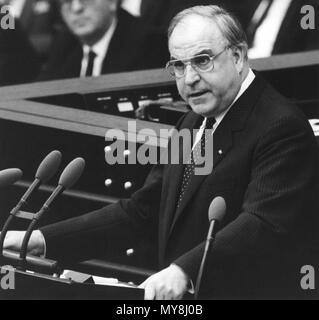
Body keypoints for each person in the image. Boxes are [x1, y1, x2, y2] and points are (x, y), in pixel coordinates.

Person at [3, 5, 319, 299]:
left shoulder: (281, 126)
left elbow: (261, 223)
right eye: (178, 66)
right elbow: (145, 210)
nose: (190, 78)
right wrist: (41, 239)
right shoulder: (192, 120)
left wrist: (184, 272)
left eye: (203, 60)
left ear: (238, 56)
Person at [38, 0, 168, 80]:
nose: (76, 8)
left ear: (112, 2)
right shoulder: (63, 45)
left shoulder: (152, 45)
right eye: (66, 1)